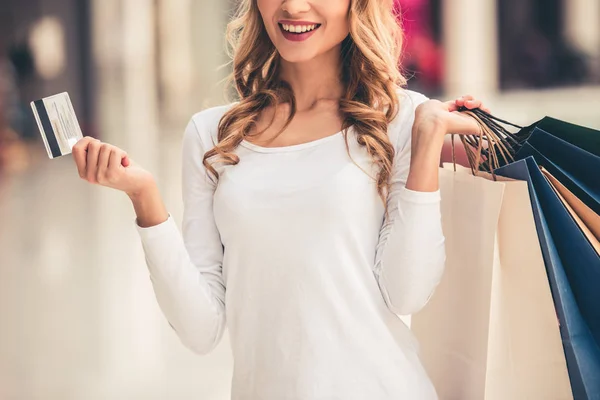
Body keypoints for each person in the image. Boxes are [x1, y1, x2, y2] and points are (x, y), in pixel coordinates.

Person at [72, 0, 488, 398]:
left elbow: (407, 292)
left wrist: (429, 137)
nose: (292, 6)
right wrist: (144, 198)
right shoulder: (212, 135)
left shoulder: (398, 120)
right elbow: (200, 330)